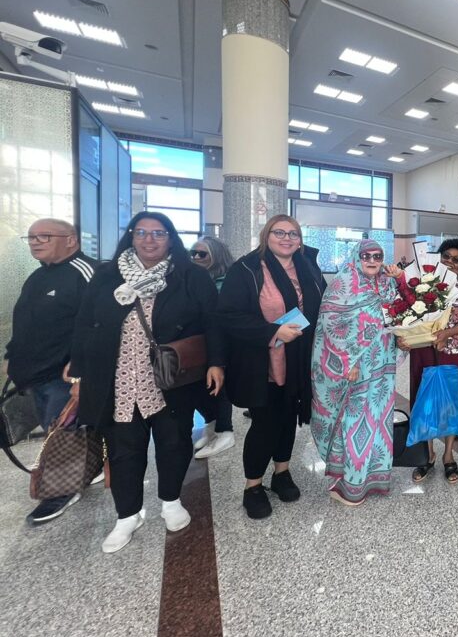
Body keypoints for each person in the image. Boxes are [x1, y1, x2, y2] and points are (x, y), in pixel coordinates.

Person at [68, 212, 225, 553]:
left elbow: (212, 322)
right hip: (118, 377)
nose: (149, 240)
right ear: (131, 236)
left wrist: (216, 362)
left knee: (174, 441)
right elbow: (85, 323)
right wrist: (78, 370)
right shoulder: (108, 275)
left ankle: (171, 500)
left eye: (158, 233)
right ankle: (127, 515)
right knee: (123, 448)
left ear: (170, 238)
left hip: (171, 376)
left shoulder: (189, 276)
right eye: (141, 232)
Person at [218, 215, 326, 520]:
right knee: (265, 422)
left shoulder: (308, 266)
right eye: (280, 232)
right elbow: (228, 315)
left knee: (288, 417)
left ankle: (282, 472)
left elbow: (324, 304)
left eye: (293, 234)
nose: (287, 238)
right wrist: (272, 332)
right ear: (266, 235)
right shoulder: (247, 269)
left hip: (299, 357)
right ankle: (253, 486)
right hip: (263, 361)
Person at [5, 219, 98, 524]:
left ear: (71, 240)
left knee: (62, 433)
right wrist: (13, 356)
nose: (35, 242)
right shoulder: (38, 276)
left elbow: (97, 325)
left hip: (63, 375)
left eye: (44, 236)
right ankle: (86, 469)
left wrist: (81, 367)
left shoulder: (86, 272)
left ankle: (61, 490)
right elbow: (27, 322)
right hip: (34, 373)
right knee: (54, 428)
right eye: (31, 237)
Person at [310, 240, 404, 505]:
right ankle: (351, 483)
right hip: (355, 366)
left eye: (377, 256)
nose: (372, 260)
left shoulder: (387, 283)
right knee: (353, 422)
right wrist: (347, 362)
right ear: (356, 257)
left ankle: (373, 477)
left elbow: (400, 315)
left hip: (382, 365)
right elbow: (331, 324)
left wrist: (404, 337)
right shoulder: (342, 284)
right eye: (366, 256)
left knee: (378, 420)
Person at [402, 238, 458, 484]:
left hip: (454, 351)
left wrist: (446, 334)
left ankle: (448, 455)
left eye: (457, 259)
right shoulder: (425, 279)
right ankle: (428, 454)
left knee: (450, 403)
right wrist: (408, 335)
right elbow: (409, 312)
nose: (450, 262)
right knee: (423, 399)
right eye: (446, 257)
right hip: (424, 348)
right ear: (439, 257)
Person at [190, 236, 237, 459]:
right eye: (193, 253)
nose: (196, 258)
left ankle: (225, 430)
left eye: (202, 254)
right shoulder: (192, 279)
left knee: (220, 387)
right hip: (197, 343)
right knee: (200, 387)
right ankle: (211, 425)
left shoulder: (228, 281)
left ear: (216, 256)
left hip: (223, 343)